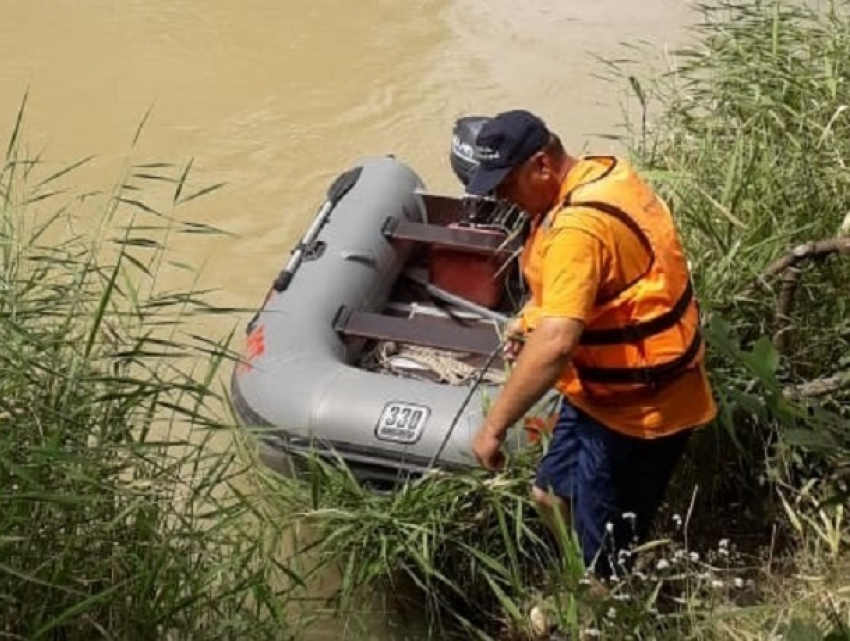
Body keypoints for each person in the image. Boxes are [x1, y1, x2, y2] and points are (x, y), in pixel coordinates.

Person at [467, 109, 717, 579]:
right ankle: (578, 585)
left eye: (506, 185)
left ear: (541, 165)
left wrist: (494, 427)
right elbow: (605, 287)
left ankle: (600, 612)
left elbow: (559, 342)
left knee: (605, 559)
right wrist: (532, 320)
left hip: (640, 412)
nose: (503, 199)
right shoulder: (603, 173)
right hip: (598, 396)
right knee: (548, 496)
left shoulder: (578, 228)